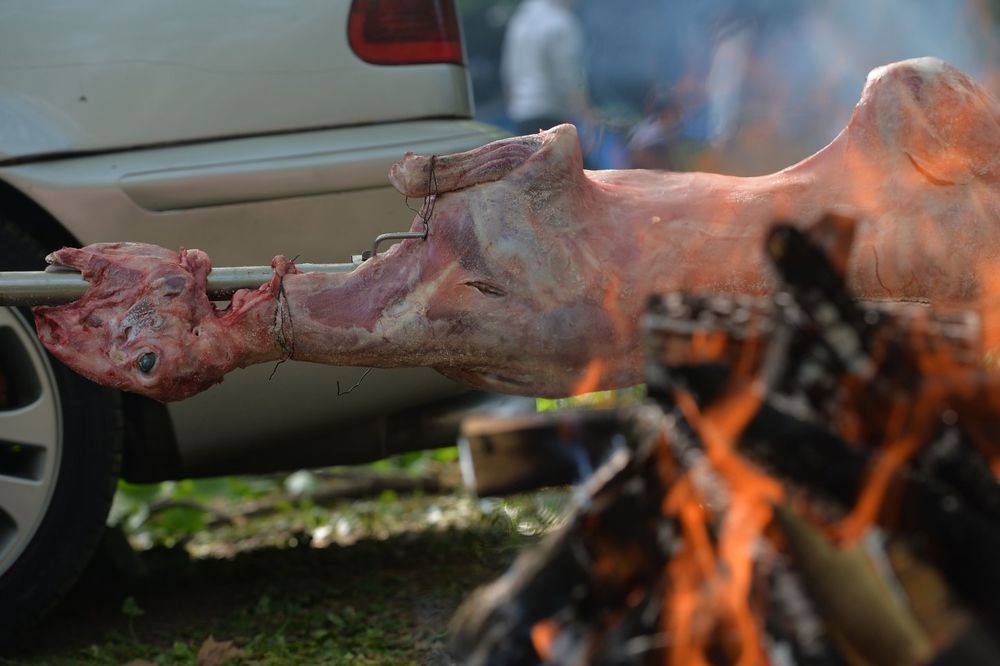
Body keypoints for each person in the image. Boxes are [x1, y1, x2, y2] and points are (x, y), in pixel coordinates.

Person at [501, 0, 593, 136]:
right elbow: (568, 75)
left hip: (521, 114)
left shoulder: (520, 19)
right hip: (551, 113)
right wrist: (586, 115)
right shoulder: (561, 21)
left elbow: (508, 70)